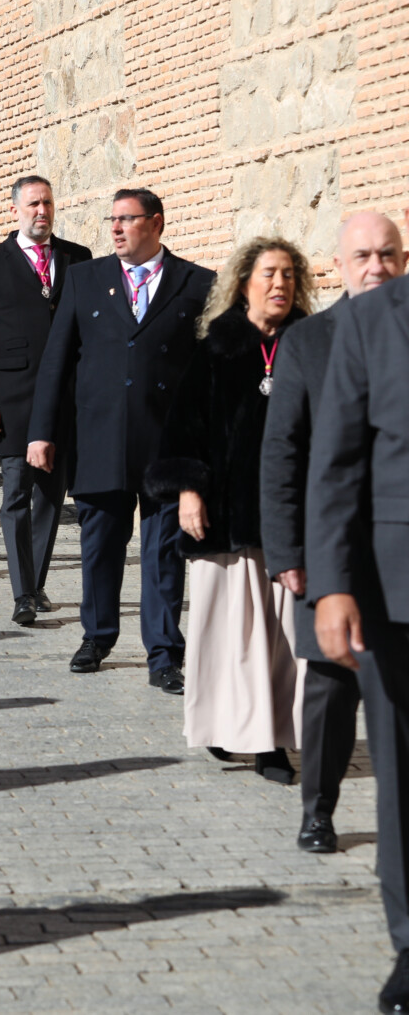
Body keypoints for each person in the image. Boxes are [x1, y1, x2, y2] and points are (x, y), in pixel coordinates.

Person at [28, 187, 215, 690]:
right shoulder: (85, 279)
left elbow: (209, 374)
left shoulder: (198, 283)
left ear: (156, 223)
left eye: (127, 219)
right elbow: (56, 362)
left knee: (164, 553)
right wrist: (42, 433)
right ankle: (97, 636)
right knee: (100, 547)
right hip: (100, 437)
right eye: (112, 219)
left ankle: (164, 654)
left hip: (167, 444)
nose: (115, 228)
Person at [262, 212, 405, 852]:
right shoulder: (310, 340)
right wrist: (287, 552)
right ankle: (317, 809)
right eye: (363, 256)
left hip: (398, 553)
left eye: (387, 254)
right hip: (328, 550)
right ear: (339, 267)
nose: (376, 267)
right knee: (330, 688)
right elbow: (283, 453)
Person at [146, 238, 314, 784]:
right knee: (227, 634)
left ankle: (272, 743)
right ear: (243, 283)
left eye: (288, 274)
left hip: (289, 517)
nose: (280, 283)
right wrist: (188, 490)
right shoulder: (218, 346)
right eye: (269, 273)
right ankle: (223, 723)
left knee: (283, 640)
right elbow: (184, 425)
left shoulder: (310, 344)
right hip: (223, 515)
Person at [307, 261, 409, 1015]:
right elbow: (336, 463)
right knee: (401, 775)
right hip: (394, 593)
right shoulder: (374, 321)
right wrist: (334, 585)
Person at [0, 175, 93, 624]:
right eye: (34, 204)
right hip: (12, 398)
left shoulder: (78, 258)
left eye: (48, 203)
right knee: (16, 494)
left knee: (51, 497)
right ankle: (22, 593)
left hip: (63, 399)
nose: (42, 211)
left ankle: (35, 584)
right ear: (16, 210)